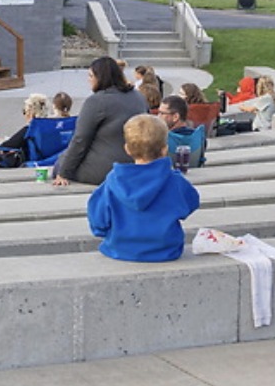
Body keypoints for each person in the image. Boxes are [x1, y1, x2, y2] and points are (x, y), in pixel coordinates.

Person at [85, 113, 201, 262]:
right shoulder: (175, 181)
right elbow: (191, 203)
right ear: (165, 149)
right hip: (166, 250)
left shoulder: (112, 182)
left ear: (127, 149)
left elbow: (98, 221)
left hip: (119, 249)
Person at [54, 57, 147, 186]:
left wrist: (63, 172)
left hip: (106, 170)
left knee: (60, 162)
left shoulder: (96, 101)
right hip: (136, 165)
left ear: (101, 78)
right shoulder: (138, 96)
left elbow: (80, 139)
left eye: (91, 76)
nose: (89, 80)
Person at [158, 96, 207, 168]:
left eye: (161, 113)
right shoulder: (199, 138)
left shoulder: (162, 140)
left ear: (175, 117)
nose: (158, 116)